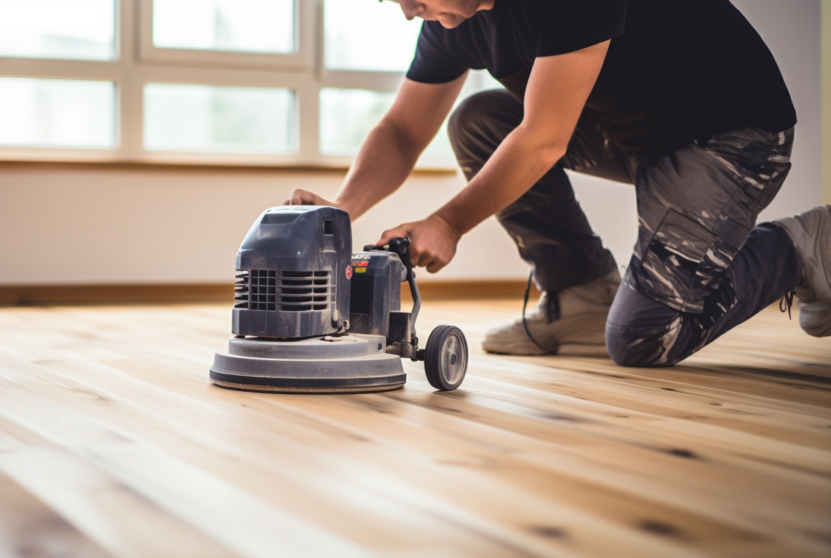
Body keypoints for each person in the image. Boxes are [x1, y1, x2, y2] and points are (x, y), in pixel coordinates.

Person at [285, 0, 830, 367]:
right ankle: (582, 293)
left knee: (644, 338)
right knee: (480, 121)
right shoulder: (451, 21)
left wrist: (448, 223)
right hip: (634, 132)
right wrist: (339, 210)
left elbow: (545, 138)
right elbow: (403, 131)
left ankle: (802, 248)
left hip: (730, 135)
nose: (406, 10)